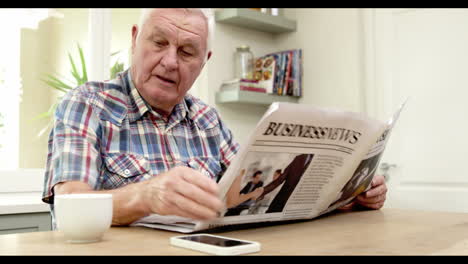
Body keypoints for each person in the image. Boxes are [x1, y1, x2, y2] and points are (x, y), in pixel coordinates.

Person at [42, 8, 388, 228]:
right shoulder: (86, 104)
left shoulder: (207, 119)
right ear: (135, 40)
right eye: (159, 42)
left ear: (204, 61)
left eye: (187, 52)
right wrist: (146, 196)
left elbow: (252, 197)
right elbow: (71, 207)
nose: (170, 62)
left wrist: (344, 196)